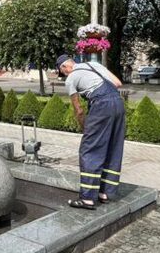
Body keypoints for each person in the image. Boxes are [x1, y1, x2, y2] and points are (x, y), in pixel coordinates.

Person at [56, 54, 125, 210]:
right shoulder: (94, 65)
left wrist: (85, 129)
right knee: (112, 147)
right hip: (118, 103)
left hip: (101, 105)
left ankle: (87, 198)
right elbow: (117, 83)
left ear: (65, 67)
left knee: (89, 149)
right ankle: (105, 193)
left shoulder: (71, 78)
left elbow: (79, 110)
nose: (65, 75)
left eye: (63, 72)